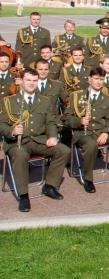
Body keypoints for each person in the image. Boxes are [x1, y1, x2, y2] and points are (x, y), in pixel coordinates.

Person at [0, 68, 69, 212]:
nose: (31, 83)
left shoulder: (44, 101)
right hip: (17, 142)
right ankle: (24, 195)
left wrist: (52, 136)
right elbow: (1, 124)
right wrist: (12, 131)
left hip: (39, 140)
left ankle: (49, 186)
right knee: (20, 155)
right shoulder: (9, 101)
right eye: (28, 80)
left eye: (34, 80)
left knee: (63, 150)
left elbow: (50, 122)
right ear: (21, 82)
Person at [63, 67, 109, 193]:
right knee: (91, 145)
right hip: (84, 132)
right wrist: (79, 121)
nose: (99, 82)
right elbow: (67, 118)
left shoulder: (107, 98)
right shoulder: (76, 96)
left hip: (101, 130)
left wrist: (105, 132)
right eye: (96, 79)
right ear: (89, 79)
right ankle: (88, 179)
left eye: (101, 79)